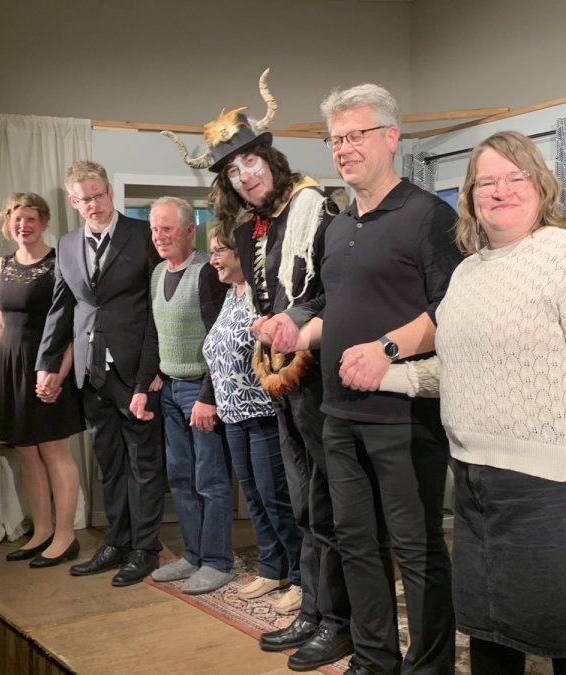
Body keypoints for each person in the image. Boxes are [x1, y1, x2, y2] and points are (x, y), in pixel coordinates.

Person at [423, 130, 566, 675]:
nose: (500, 191)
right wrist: (385, 375)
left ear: (541, 185)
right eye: (486, 182)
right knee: (490, 631)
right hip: (477, 484)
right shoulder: (468, 273)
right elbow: (456, 369)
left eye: (515, 177)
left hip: (557, 485)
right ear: (469, 196)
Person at [266, 83, 462, 675]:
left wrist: (386, 351)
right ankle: (374, 660)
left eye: (356, 135)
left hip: (404, 417)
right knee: (355, 543)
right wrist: (296, 335)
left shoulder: (429, 216)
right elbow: (336, 309)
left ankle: (428, 668)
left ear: (391, 137)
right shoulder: (338, 224)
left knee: (417, 549)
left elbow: (451, 311)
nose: (344, 148)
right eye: (335, 139)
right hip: (338, 414)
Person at [163, 71, 353, 672]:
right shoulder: (252, 227)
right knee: (303, 503)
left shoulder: (313, 206)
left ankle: (338, 621)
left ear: (268, 157)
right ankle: (315, 610)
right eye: (232, 170)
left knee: (328, 504)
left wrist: (293, 326)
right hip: (284, 384)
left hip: (321, 376)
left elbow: (329, 293)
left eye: (250, 161)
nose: (244, 174)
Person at [36, 160, 165, 588]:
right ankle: (117, 542)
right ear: (73, 202)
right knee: (110, 464)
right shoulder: (67, 245)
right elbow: (61, 308)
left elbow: (159, 308)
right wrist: (47, 364)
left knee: (143, 464)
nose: (94, 204)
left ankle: (145, 549)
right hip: (90, 373)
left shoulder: (143, 235)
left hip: (136, 371)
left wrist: (152, 372)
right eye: (84, 199)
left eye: (99, 195)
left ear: (109, 192)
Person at [0, 192, 85, 568]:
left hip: (48, 366)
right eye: (16, 219)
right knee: (26, 452)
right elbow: (0, 324)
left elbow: (77, 325)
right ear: (8, 224)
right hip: (10, 366)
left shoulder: (61, 262)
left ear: (44, 222)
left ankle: (66, 536)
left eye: (30, 218)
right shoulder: (1, 265)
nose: (23, 225)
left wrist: (60, 372)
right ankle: (41, 531)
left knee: (55, 451)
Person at [201, 223, 302, 605]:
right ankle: (272, 569)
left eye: (219, 251)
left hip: (262, 412)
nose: (213, 260)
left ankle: (301, 577)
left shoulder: (264, 296)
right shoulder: (231, 294)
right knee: (254, 499)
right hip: (233, 414)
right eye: (211, 251)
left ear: (243, 252)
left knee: (275, 498)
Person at [144, 196, 235, 595]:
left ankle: (217, 561)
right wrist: (149, 379)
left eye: (166, 228)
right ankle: (193, 555)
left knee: (210, 479)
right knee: (181, 478)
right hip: (169, 389)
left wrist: (208, 396)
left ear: (187, 230)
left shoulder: (206, 273)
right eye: (154, 229)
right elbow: (154, 333)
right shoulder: (158, 273)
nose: (159, 236)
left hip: (200, 390)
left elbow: (217, 338)